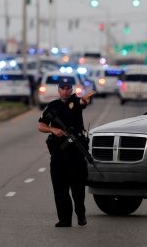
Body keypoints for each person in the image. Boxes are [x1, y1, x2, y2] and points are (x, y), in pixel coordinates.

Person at [38, 77, 93, 227]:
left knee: (78, 189)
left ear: (72, 89)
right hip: (58, 154)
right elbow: (41, 125)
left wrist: (85, 99)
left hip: (75, 153)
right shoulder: (52, 106)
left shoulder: (75, 102)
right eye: (62, 88)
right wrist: (52, 129)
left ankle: (80, 214)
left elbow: (82, 103)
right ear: (58, 90)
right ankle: (64, 219)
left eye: (68, 88)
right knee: (60, 189)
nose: (65, 91)